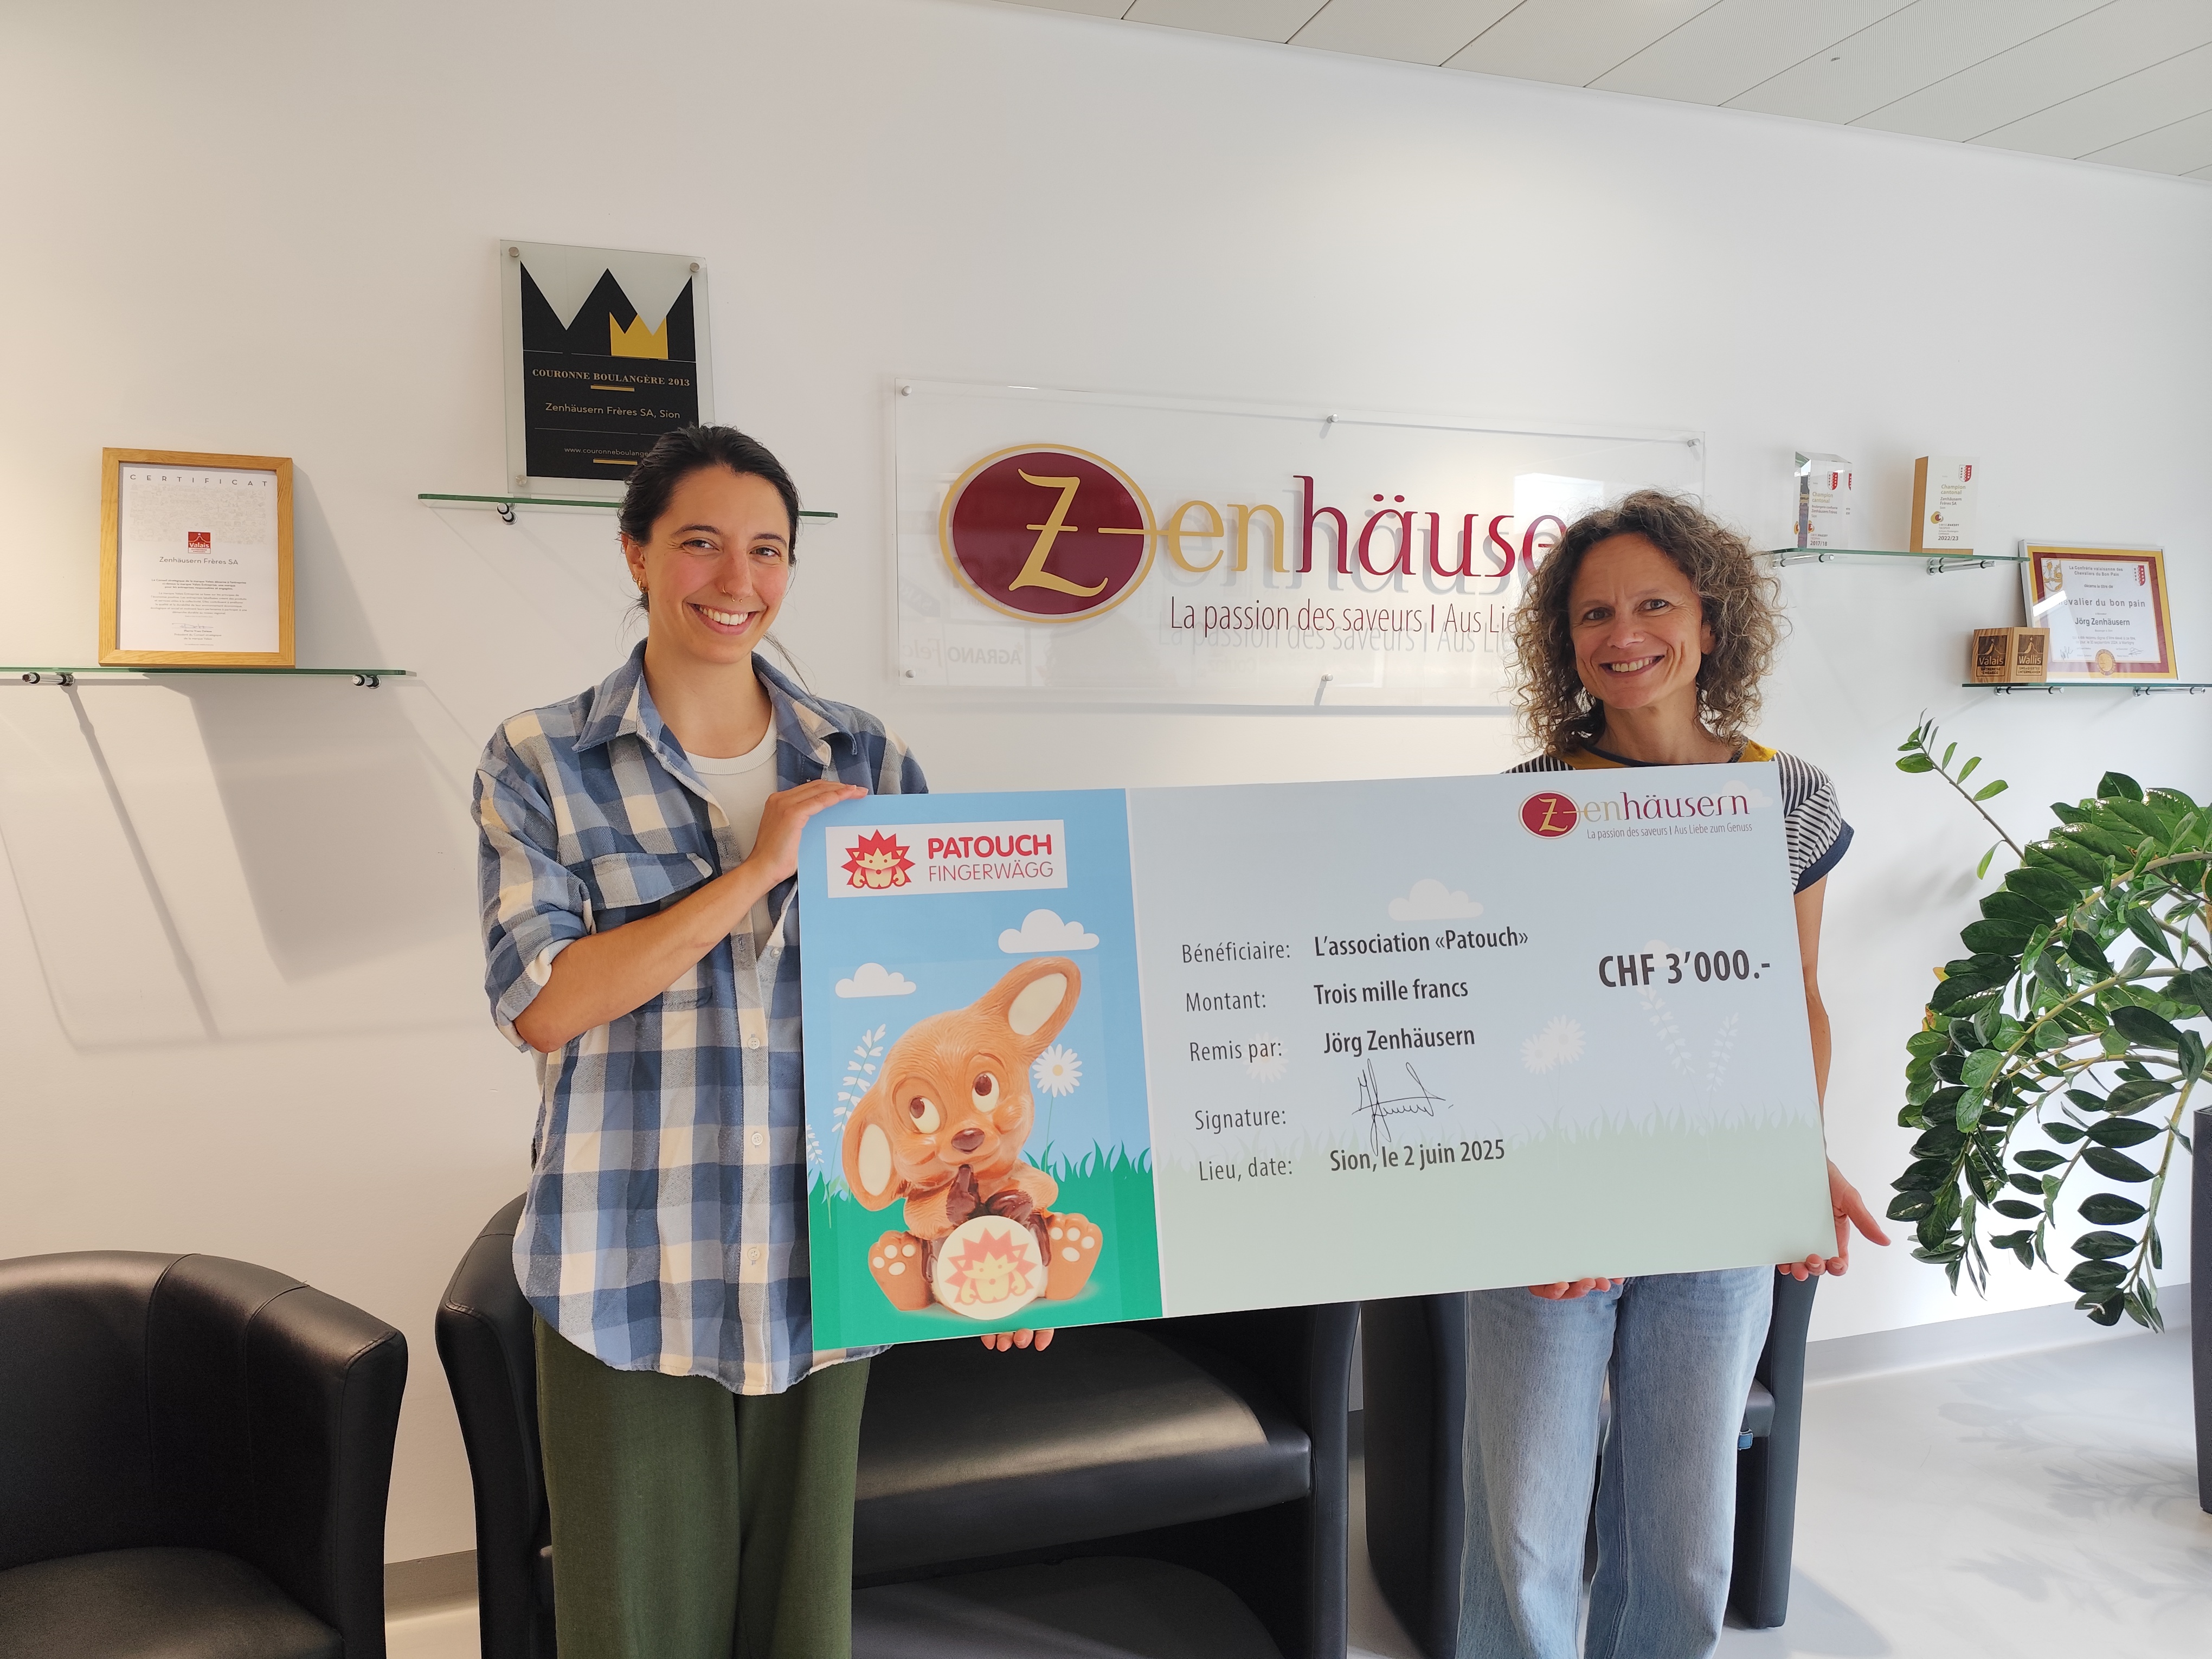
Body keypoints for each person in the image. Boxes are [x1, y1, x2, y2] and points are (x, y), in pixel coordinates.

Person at [473, 426, 1046, 1659]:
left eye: (768, 550)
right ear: (636, 554)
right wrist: (755, 872)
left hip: (820, 1261)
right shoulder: (542, 760)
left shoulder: (868, 758)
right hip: (624, 1264)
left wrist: (1002, 1246)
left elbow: (946, 1023)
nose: (738, 580)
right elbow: (545, 1003)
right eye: (700, 543)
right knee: (633, 1633)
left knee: (805, 1630)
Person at [1458, 490, 1891, 1659]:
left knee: (1685, 1537)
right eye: (1594, 614)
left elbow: (1795, 995)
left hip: (1714, 1206)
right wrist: (1542, 1200)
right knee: (1527, 1530)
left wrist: (1794, 1165)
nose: (1625, 633)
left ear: (1709, 620)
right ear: (1567, 644)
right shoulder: (1525, 805)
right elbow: (1502, 1021)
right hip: (1553, 1213)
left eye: (1654, 604)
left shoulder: (1789, 795)